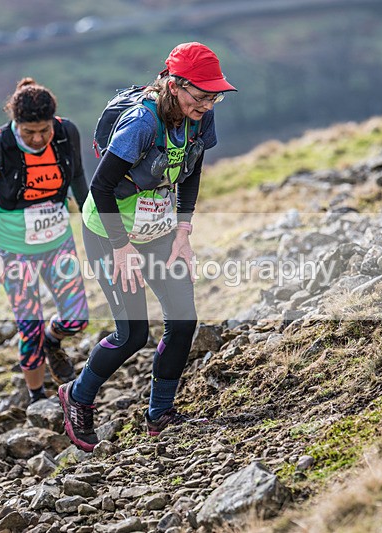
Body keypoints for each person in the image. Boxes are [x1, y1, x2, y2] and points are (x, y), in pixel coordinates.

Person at [58, 42, 236, 451]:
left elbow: (192, 168)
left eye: (216, 95)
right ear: (175, 85)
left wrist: (183, 229)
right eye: (202, 94)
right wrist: (121, 248)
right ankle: (78, 396)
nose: (209, 103)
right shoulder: (141, 122)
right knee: (132, 333)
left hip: (157, 231)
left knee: (183, 320)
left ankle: (161, 414)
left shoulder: (199, 118)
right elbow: (101, 187)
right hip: (109, 233)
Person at [0, 78, 90, 404]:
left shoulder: (66, 133)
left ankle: (54, 340)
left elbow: (77, 177)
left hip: (58, 241)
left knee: (77, 318)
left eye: (44, 130)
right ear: (15, 124)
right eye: (28, 132)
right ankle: (38, 398)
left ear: (53, 122)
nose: (37, 139)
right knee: (29, 327)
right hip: (13, 249)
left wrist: (94, 220)